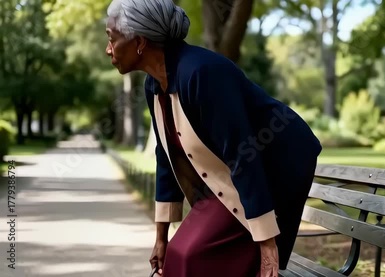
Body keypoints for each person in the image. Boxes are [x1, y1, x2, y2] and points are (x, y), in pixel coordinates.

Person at [105, 0, 322, 276]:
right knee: (181, 252)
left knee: (192, 254)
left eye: (112, 39)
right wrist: (161, 238)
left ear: (139, 41)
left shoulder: (202, 73)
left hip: (277, 163)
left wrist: (268, 245)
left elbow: (243, 153)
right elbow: (165, 156)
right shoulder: (153, 85)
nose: (108, 49)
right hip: (232, 172)